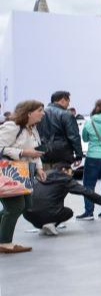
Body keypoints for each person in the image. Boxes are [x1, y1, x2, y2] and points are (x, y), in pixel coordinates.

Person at [0, 100, 47, 254]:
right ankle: (5, 242)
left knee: (26, 205)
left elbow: (35, 151)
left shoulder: (32, 129)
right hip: (8, 173)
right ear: (29, 112)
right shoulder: (12, 126)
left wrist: (39, 168)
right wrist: (22, 153)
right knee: (15, 206)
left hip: (22, 173)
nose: (43, 113)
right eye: (40, 110)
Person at [25, 161, 101, 235]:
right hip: (49, 213)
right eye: (71, 172)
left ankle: (42, 226)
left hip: (28, 214)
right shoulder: (65, 179)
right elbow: (86, 192)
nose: (72, 175)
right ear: (64, 170)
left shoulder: (43, 174)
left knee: (45, 205)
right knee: (69, 212)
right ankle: (50, 223)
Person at [79, 99, 101, 220]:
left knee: (89, 185)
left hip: (93, 156)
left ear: (96, 107)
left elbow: (85, 138)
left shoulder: (90, 122)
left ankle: (89, 212)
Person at [39, 90, 83, 166]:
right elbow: (74, 136)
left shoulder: (40, 114)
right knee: (62, 173)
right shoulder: (67, 115)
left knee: (45, 173)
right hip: (63, 155)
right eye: (68, 102)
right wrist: (79, 155)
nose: (68, 105)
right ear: (62, 100)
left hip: (43, 153)